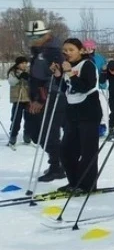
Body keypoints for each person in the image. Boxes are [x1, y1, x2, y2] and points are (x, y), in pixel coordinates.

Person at [50, 39, 101, 193]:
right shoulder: (68, 67)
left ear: (81, 50)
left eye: (71, 49)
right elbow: (67, 88)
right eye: (65, 50)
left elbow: (85, 87)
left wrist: (69, 73)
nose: (67, 53)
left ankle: (87, 185)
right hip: (72, 113)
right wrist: (59, 75)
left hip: (89, 112)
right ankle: (74, 181)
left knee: (88, 152)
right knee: (66, 150)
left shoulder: (87, 65)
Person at [25, 21, 67, 182]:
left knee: (49, 133)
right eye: (31, 36)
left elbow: (55, 79)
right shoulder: (38, 51)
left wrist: (41, 100)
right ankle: (60, 159)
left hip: (52, 98)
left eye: (37, 36)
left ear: (46, 35)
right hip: (36, 98)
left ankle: (57, 166)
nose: (33, 39)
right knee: (34, 131)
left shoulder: (54, 52)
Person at [83, 39, 109, 136]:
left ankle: (101, 126)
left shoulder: (99, 58)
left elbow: (105, 68)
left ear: (94, 48)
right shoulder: (82, 59)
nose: (88, 50)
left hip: (100, 87)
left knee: (101, 107)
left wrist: (104, 71)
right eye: (86, 48)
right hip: (87, 87)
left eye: (90, 48)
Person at [7, 57, 32, 146]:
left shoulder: (29, 71)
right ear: (17, 64)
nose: (24, 65)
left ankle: (27, 136)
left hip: (27, 99)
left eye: (25, 63)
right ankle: (13, 136)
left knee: (29, 119)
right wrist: (19, 76)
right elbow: (11, 82)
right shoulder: (13, 72)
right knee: (16, 119)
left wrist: (29, 78)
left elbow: (33, 82)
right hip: (17, 99)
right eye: (22, 63)